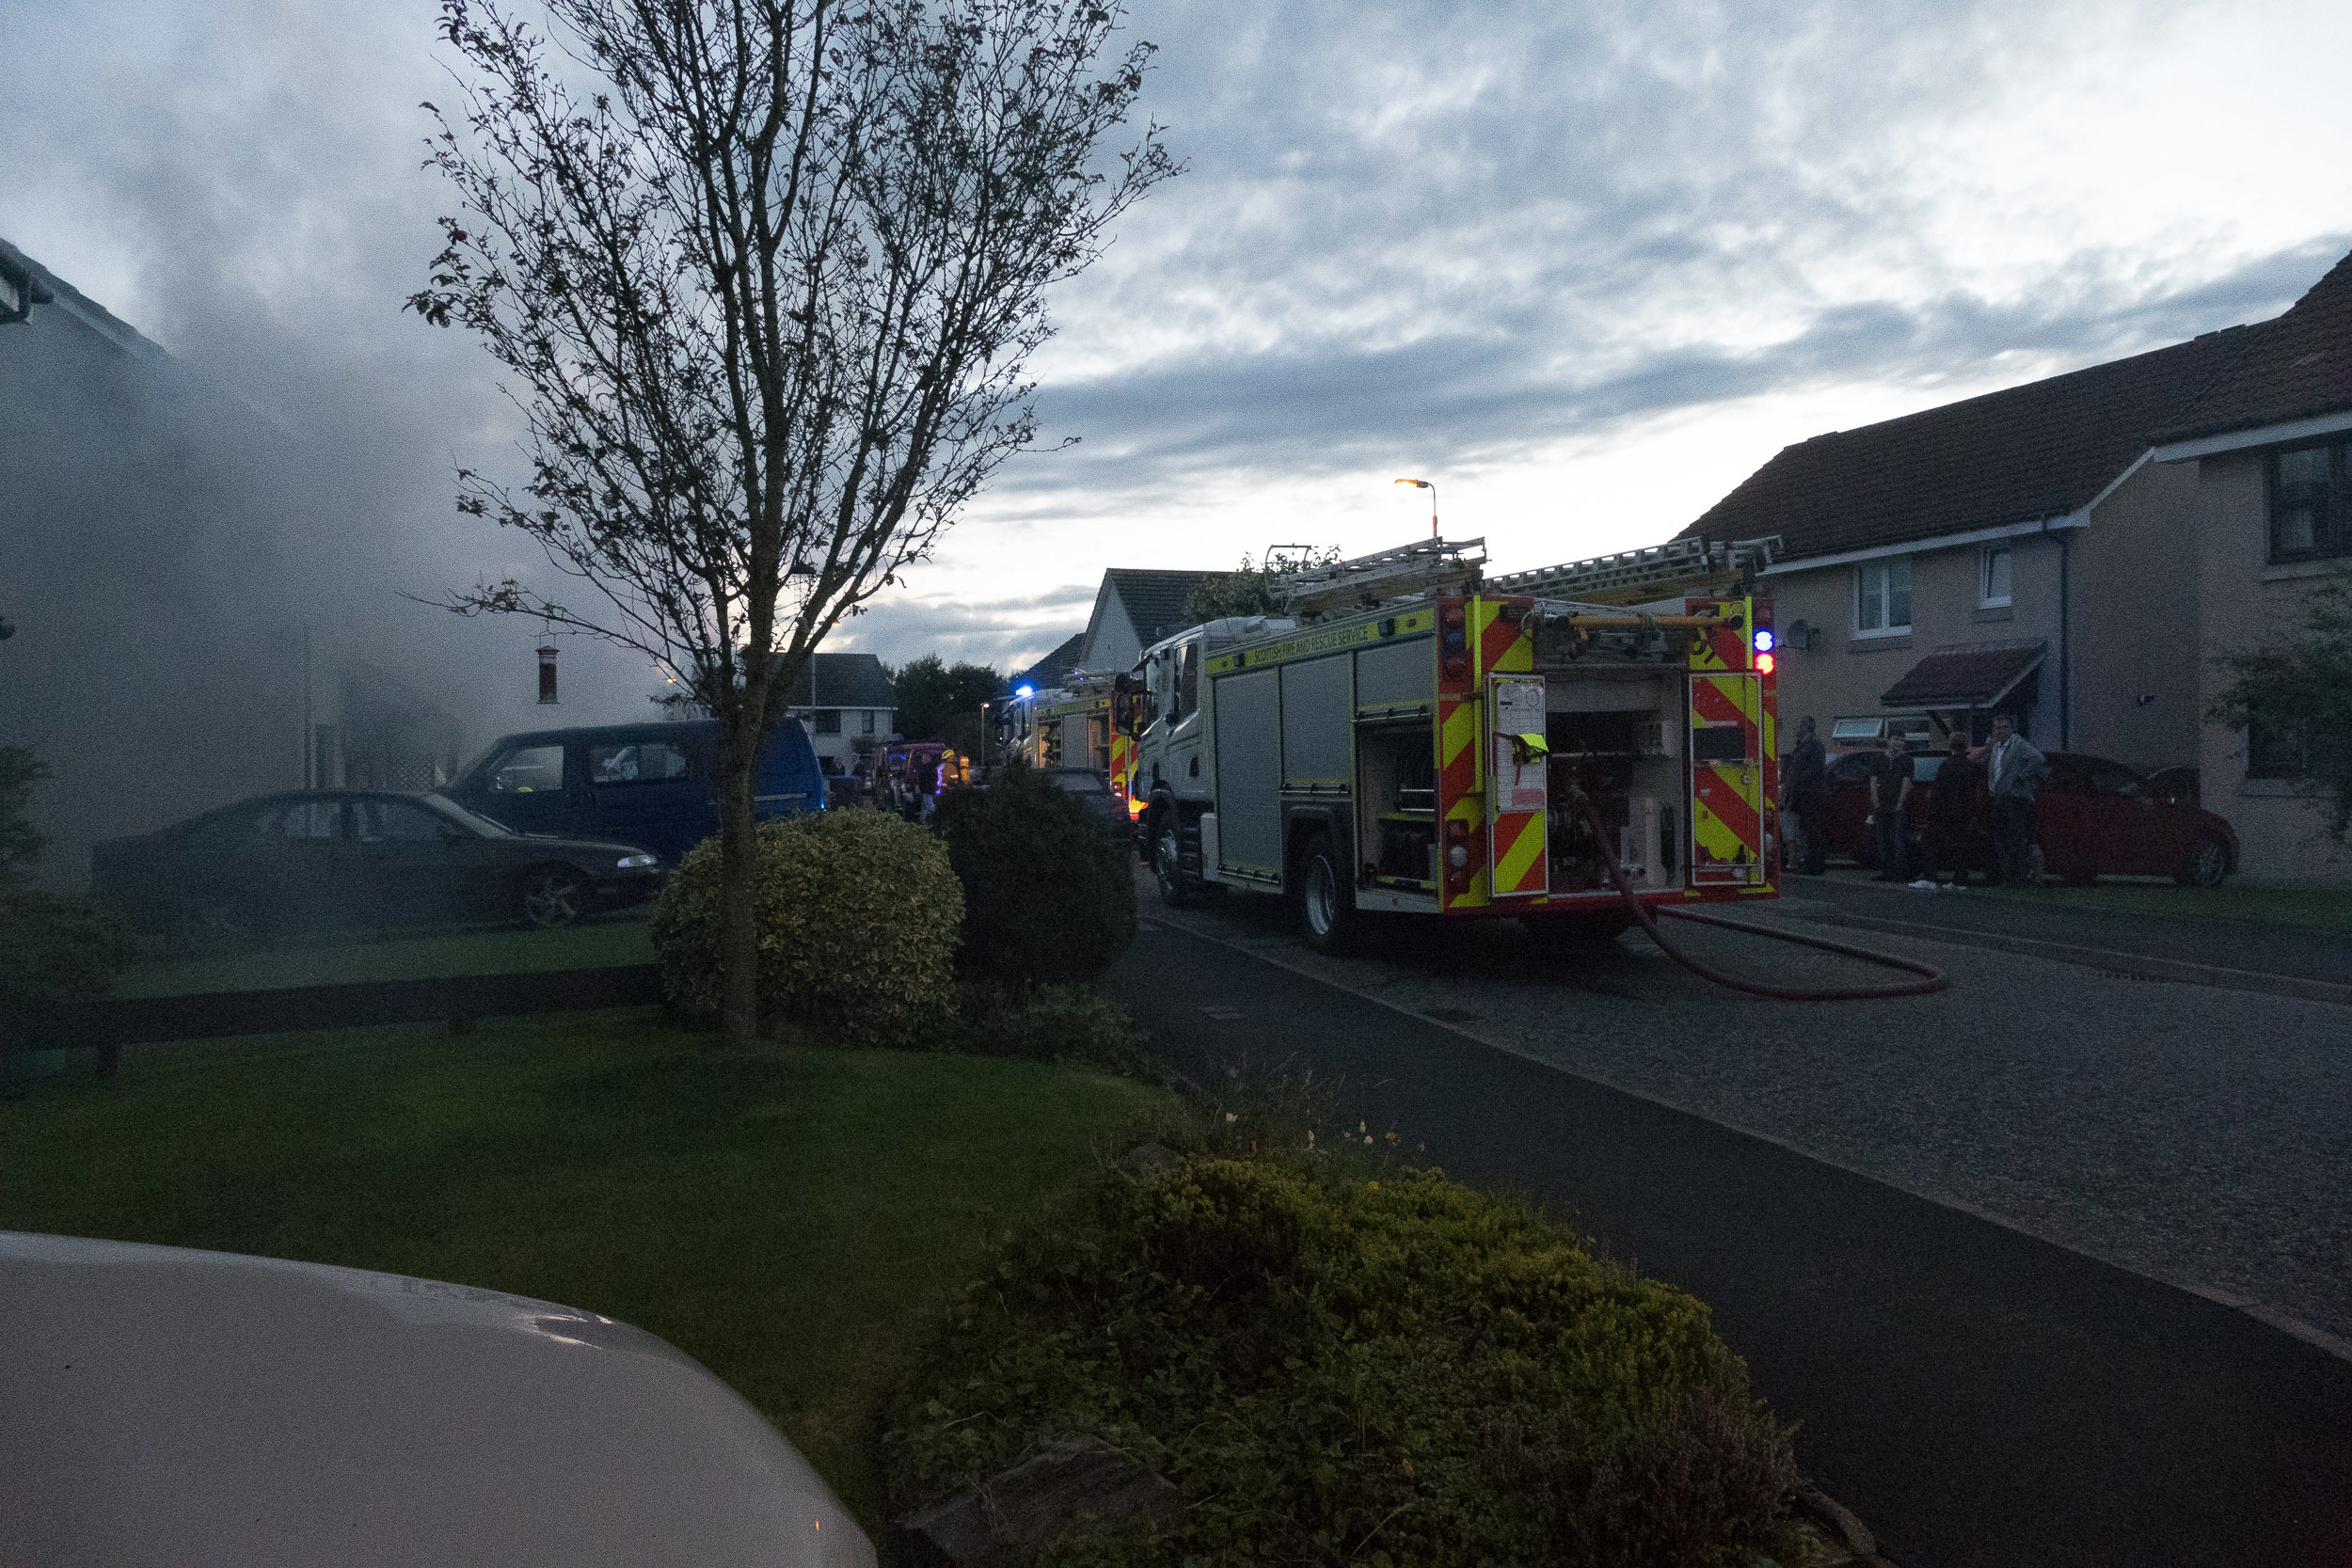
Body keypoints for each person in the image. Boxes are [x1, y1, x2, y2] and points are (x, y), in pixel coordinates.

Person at [1982, 714, 2048, 886]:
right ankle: (2008, 877)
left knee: (2015, 839)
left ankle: (2018, 878)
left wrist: (2021, 776)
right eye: (1998, 728)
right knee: (2002, 839)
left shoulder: (2018, 745)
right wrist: (1992, 788)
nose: (2001, 731)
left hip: (2015, 798)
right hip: (2000, 797)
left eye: (2005, 727)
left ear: (2011, 729)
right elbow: (1995, 770)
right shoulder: (1997, 747)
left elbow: (2038, 758)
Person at [1915, 745, 1980, 890]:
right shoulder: (1972, 767)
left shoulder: (1946, 764)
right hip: (1964, 812)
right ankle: (1960, 880)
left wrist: (1933, 811)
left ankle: (1930, 878)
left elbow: (1938, 791)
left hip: (1944, 812)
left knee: (1930, 841)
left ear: (1951, 746)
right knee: (1960, 845)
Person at [1785, 716, 1828, 876]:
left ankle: (1815, 865)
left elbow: (1817, 767)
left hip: (1812, 792)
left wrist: (1799, 778)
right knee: (1805, 828)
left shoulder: (1815, 745)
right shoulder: (1801, 745)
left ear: (1806, 727)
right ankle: (1809, 862)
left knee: (1813, 828)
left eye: (1798, 726)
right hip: (1801, 792)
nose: (1795, 729)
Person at [1866, 735, 1913, 881]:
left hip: (1896, 805)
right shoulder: (1877, 760)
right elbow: (1873, 782)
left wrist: (1899, 804)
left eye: (1901, 740)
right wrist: (1876, 803)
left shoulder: (1907, 761)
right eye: (1895, 739)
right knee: (1882, 839)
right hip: (1882, 805)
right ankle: (1887, 871)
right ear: (1888, 741)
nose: (1898, 742)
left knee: (1898, 839)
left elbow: (1906, 783)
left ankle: (1900, 872)